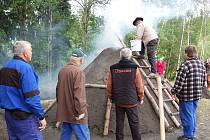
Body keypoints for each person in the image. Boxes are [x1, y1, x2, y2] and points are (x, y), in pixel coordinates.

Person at [0, 41, 47, 139]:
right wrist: (41, 116)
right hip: (24, 118)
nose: (31, 53)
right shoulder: (25, 68)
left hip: (9, 116)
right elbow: (32, 98)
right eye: (30, 50)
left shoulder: (5, 67)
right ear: (25, 53)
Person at [106, 47, 144, 140]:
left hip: (118, 101)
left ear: (120, 56)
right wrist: (141, 97)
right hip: (131, 101)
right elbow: (139, 85)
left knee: (119, 123)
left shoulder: (113, 68)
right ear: (130, 56)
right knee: (134, 124)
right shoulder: (135, 68)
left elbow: (109, 85)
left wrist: (111, 97)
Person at [171, 45, 206, 140]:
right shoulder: (201, 64)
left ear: (187, 53)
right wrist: (200, 91)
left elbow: (179, 82)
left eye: (184, 53)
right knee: (192, 114)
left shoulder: (185, 65)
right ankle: (191, 134)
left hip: (186, 96)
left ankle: (188, 136)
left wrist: (173, 91)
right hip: (196, 95)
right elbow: (204, 80)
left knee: (187, 116)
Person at [56, 48, 90, 140]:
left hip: (65, 112)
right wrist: (81, 111)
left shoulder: (62, 71)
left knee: (65, 136)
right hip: (76, 115)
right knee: (83, 137)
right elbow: (79, 94)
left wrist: (61, 109)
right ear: (81, 59)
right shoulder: (78, 72)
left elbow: (58, 91)